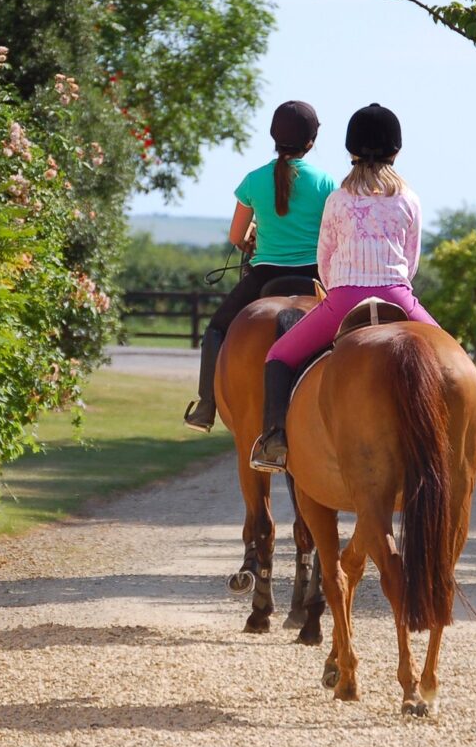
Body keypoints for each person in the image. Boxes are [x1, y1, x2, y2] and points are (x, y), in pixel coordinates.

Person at [250, 102, 441, 471]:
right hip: (397, 296)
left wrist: (340, 287)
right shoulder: (409, 199)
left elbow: (325, 258)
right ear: (396, 150)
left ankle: (274, 440)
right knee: (452, 357)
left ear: (350, 151)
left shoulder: (337, 199)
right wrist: (393, 284)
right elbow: (411, 260)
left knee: (278, 356)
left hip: (343, 299)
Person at [184, 100, 337, 432]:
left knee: (215, 328)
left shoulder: (253, 180)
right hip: (315, 276)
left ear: (273, 136)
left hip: (265, 274)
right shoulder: (326, 183)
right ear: (311, 141)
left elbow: (236, 235)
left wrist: (253, 238)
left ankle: (206, 405)